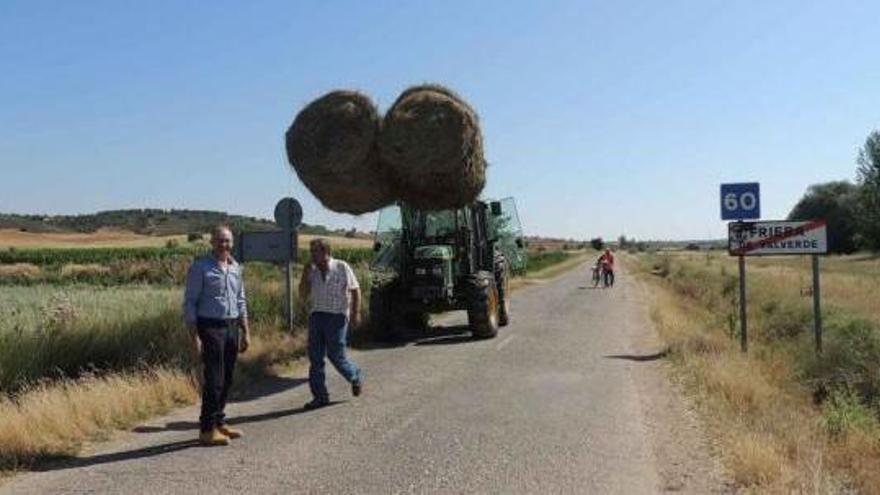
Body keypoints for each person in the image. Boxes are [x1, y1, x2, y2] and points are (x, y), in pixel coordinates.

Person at [183, 225, 251, 446]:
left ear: (232, 243)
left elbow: (241, 301)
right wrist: (194, 337)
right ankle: (206, 429)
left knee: (228, 377)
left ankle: (219, 422)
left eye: (228, 241)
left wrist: (245, 330)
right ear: (212, 242)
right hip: (210, 327)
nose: (224, 245)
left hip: (231, 326)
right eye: (220, 240)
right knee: (214, 379)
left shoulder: (235, 268)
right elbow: (190, 303)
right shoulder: (200, 268)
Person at [298, 238, 364, 410]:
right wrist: (305, 273)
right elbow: (302, 295)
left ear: (325, 252)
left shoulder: (341, 266)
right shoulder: (311, 270)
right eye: (311, 251)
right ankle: (320, 396)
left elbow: (356, 290)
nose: (312, 255)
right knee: (316, 358)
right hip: (317, 316)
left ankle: (354, 375)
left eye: (315, 251)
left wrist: (356, 313)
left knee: (336, 355)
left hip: (337, 317)